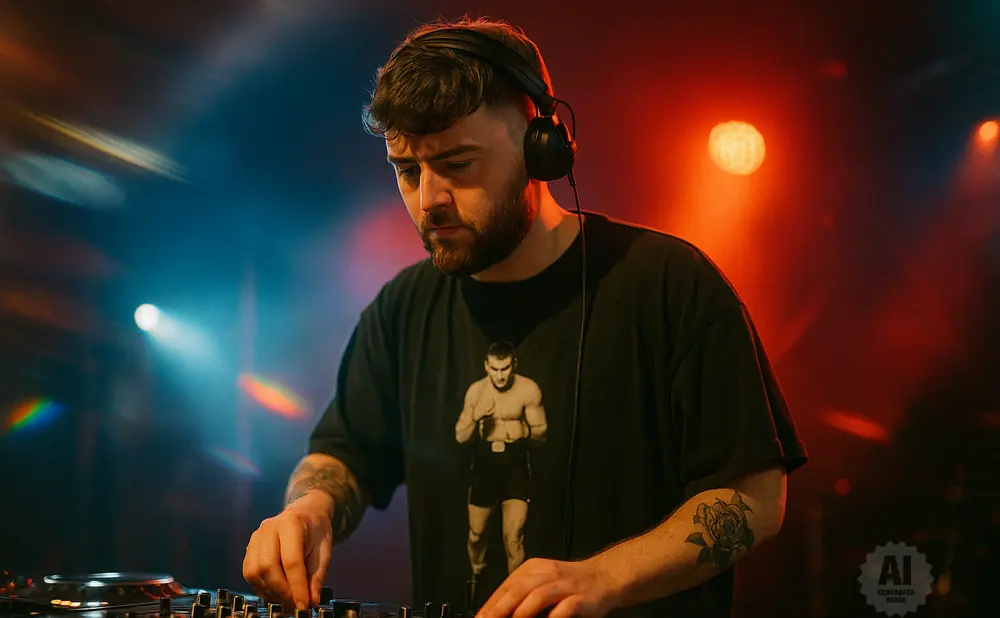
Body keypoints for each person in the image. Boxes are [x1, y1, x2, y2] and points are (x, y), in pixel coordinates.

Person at [243, 16, 807, 618]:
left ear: (541, 147)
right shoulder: (401, 310)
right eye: (408, 171)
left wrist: (605, 577)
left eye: (458, 164)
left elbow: (755, 497)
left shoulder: (671, 285)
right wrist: (309, 509)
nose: (429, 199)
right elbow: (344, 455)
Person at [456, 341, 547, 595]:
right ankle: (476, 575)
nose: (500, 376)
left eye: (505, 368)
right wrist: (476, 417)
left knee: (514, 537)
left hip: (514, 467)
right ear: (486, 366)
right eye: (494, 369)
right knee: (476, 534)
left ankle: (515, 594)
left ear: (514, 365)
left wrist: (525, 431)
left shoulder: (528, 389)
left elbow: (542, 435)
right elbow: (460, 437)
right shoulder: (476, 391)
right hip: (485, 466)